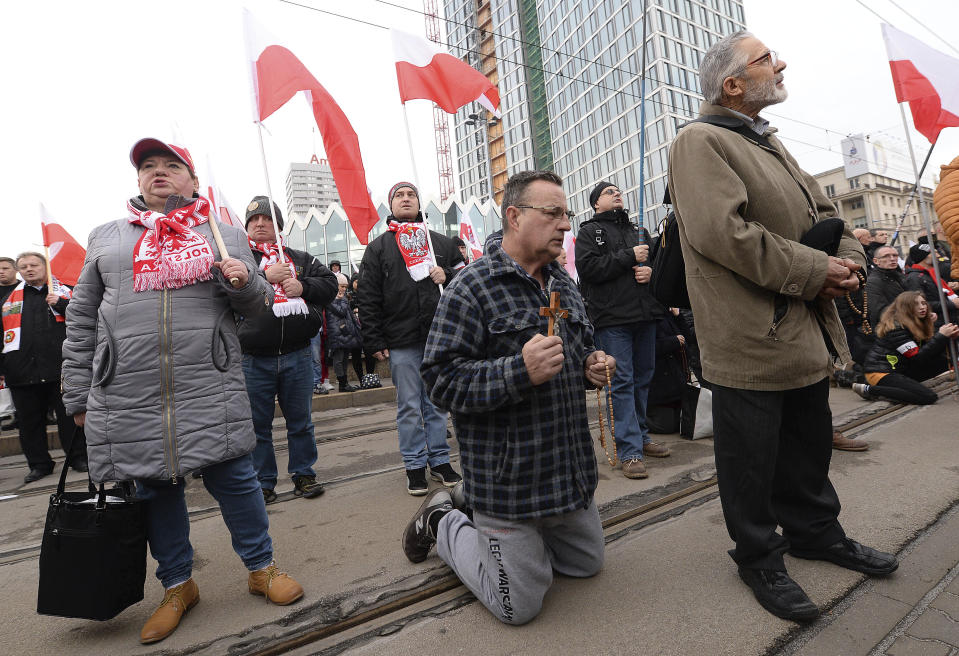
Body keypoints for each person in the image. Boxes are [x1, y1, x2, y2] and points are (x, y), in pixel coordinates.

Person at [667, 32, 896, 622]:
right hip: (750, 334)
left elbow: (827, 214)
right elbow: (726, 235)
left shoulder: (767, 141)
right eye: (766, 58)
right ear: (732, 84)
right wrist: (819, 270)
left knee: (808, 442)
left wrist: (848, 262)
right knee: (750, 458)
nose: (782, 62)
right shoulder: (700, 141)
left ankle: (816, 533)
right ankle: (758, 556)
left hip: (801, 324)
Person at [61, 138, 304, 645]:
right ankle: (177, 586)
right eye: (148, 166)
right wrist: (78, 396)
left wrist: (242, 284)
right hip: (129, 393)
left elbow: (257, 308)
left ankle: (262, 568)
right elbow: (82, 318)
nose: (159, 173)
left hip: (208, 384)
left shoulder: (225, 235)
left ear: (192, 180)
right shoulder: (108, 238)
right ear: (138, 181)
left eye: (172, 166)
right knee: (155, 490)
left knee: (237, 480)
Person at [410, 170, 615, 625]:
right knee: (517, 606)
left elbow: (577, 353)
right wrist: (518, 371)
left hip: (567, 476)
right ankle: (445, 521)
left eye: (567, 214)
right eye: (553, 213)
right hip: (510, 485)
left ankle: (501, 533)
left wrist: (590, 366)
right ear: (514, 216)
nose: (565, 224)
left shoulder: (564, 284)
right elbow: (440, 381)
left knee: (586, 566)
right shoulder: (470, 288)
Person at [358, 181, 465, 495]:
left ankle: (440, 461)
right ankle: (415, 465)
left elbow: (470, 277)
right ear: (390, 206)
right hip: (401, 339)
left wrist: (449, 274)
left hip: (439, 338)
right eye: (399, 196)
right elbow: (368, 297)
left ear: (420, 203)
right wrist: (374, 340)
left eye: (411, 195)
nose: (406, 199)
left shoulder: (442, 244)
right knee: (408, 406)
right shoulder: (378, 248)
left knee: (436, 404)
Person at [239, 196, 337, 503]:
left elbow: (330, 284)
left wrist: (303, 286)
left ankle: (304, 474)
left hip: (297, 354)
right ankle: (264, 482)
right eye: (253, 220)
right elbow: (224, 290)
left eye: (267, 218)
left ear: (278, 224)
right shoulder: (240, 260)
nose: (260, 224)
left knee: (300, 422)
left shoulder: (300, 258)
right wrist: (263, 278)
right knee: (258, 426)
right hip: (253, 358)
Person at [575, 180, 669, 480]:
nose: (616, 194)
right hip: (613, 319)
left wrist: (651, 271)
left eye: (618, 190)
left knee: (644, 378)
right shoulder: (590, 232)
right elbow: (589, 269)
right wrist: (630, 257)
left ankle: (640, 435)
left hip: (645, 315)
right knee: (623, 381)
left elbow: (659, 266)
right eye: (608, 192)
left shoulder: (638, 230)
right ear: (596, 204)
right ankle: (629, 451)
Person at [1, 252, 86, 482]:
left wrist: (61, 304)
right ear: (19, 271)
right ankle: (39, 464)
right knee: (29, 423)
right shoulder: (8, 298)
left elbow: (86, 317)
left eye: (34, 265)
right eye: (24, 266)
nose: (29, 269)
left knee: (70, 417)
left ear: (45, 266)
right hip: (22, 372)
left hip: (62, 369)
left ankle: (78, 457)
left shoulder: (64, 291)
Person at [855, 291, 957, 404]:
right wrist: (941, 336)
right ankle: (870, 390)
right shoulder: (896, 327)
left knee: (945, 360)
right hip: (882, 372)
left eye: (923, 303)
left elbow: (930, 351)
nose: (922, 307)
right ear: (905, 308)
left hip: (902, 368)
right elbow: (918, 357)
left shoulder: (919, 322)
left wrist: (949, 338)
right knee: (928, 397)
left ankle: (903, 386)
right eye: (916, 304)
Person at [905, 243, 959, 325]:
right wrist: (952, 304)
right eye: (933, 253)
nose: (938, 256)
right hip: (937, 324)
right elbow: (920, 304)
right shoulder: (914, 278)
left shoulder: (932, 273)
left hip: (949, 320)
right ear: (923, 257)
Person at [326, 272, 361, 392]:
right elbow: (341, 311)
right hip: (337, 334)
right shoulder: (331, 298)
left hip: (346, 333)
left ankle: (344, 383)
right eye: (342, 286)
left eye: (345, 287)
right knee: (339, 360)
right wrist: (344, 301)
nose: (344, 289)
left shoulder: (341, 298)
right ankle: (342, 383)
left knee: (345, 359)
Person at [866, 245, 907, 329]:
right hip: (891, 329)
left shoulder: (901, 277)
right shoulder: (872, 282)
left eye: (895, 255)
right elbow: (879, 311)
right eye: (886, 256)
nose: (892, 259)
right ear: (876, 261)